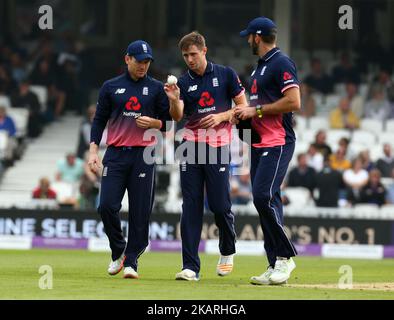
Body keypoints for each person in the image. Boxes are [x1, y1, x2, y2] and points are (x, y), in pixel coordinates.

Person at [164, 31, 247, 281]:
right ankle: (190, 266)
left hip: (218, 145)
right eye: (185, 55)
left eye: (193, 54)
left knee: (220, 205)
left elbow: (244, 107)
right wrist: (175, 100)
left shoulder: (225, 74)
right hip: (190, 144)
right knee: (190, 206)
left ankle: (227, 249)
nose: (190, 59)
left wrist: (222, 116)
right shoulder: (182, 81)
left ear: (204, 50)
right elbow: (178, 116)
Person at [88, 40, 171, 279]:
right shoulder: (110, 87)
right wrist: (94, 151)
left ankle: (132, 261)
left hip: (143, 155)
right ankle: (118, 250)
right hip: (115, 153)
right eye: (139, 61)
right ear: (127, 59)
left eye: (147, 62)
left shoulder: (156, 88)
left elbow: (170, 122)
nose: (143, 66)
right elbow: (99, 120)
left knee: (140, 211)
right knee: (106, 206)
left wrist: (155, 123)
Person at [234, 17, 300, 285]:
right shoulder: (259, 67)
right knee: (267, 200)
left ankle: (286, 257)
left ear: (257, 37)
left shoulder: (281, 62)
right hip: (260, 141)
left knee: (262, 196)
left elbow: (294, 101)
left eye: (249, 37)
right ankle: (275, 264)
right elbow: (258, 105)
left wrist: (255, 110)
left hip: (278, 141)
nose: (248, 41)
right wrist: (243, 117)